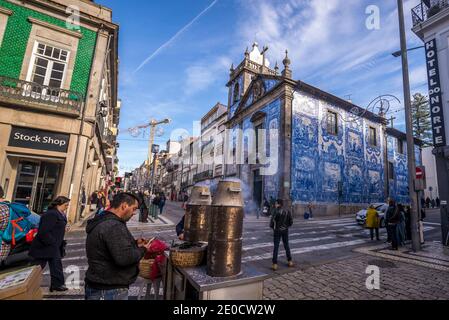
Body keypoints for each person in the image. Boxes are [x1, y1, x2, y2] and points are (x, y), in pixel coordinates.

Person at [84, 193, 152, 300]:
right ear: (124, 206)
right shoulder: (113, 225)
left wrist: (134, 243)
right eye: (134, 209)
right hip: (109, 290)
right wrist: (143, 249)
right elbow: (124, 258)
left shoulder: (103, 220)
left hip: (101, 286)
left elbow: (111, 246)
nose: (134, 213)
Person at [29, 196, 70, 292]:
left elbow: (56, 227)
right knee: (37, 267)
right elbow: (43, 231)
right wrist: (52, 242)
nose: (67, 207)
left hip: (53, 245)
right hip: (45, 246)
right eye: (66, 205)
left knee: (56, 265)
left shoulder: (60, 214)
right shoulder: (51, 214)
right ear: (58, 204)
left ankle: (57, 284)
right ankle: (27, 284)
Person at [270, 199, 294, 271]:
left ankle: (275, 264)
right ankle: (290, 261)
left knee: (276, 247)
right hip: (285, 231)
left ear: (279, 204)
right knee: (286, 245)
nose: (275, 204)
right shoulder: (287, 211)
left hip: (277, 231)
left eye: (276, 203)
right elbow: (291, 222)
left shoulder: (276, 211)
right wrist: (286, 227)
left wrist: (274, 228)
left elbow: (271, 223)